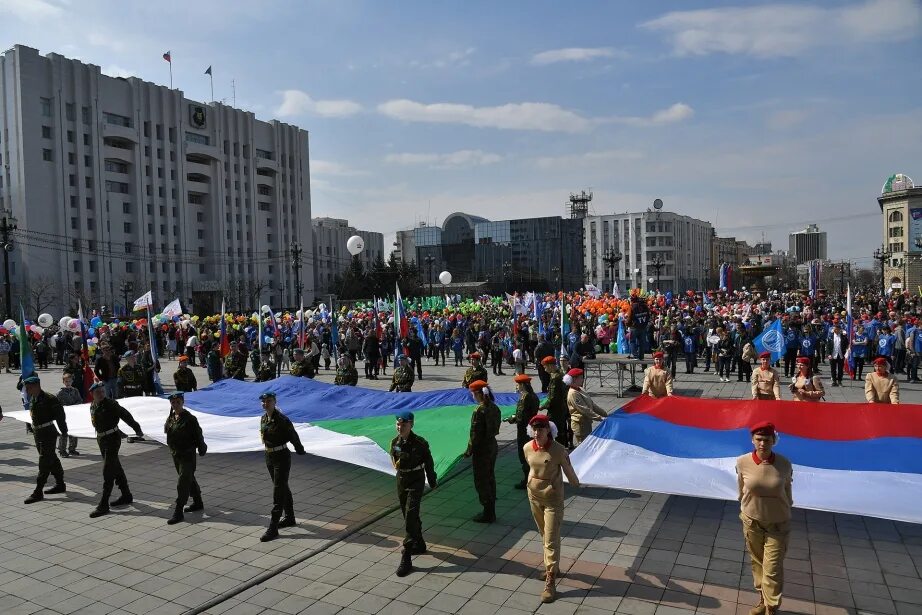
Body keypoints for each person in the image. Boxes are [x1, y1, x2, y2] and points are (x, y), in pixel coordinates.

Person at [736, 421, 793, 615]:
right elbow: (741, 488)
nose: (762, 443)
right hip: (752, 521)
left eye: (766, 439)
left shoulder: (784, 464)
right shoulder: (742, 462)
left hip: (778, 524)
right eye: (759, 439)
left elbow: (787, 490)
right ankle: (762, 599)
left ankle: (771, 608)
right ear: (753, 440)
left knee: (772, 568)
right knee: (758, 563)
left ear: (773, 440)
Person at [524, 414, 581, 604]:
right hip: (534, 497)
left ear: (549, 430)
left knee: (550, 539)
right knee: (545, 535)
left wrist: (577, 482)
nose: (537, 433)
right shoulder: (527, 448)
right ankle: (553, 567)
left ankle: (550, 581)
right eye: (534, 429)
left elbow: (569, 471)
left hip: (553, 501)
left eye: (540, 429)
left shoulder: (558, 450)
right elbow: (532, 469)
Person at [390, 411, 438, 577]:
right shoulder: (395, 442)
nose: (400, 427)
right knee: (407, 513)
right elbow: (394, 458)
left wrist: (432, 480)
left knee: (410, 514)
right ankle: (420, 543)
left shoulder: (420, 443)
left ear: (411, 425)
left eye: (403, 425)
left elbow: (429, 462)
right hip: (401, 480)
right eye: (398, 424)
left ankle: (407, 555)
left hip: (415, 480)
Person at [88, 381, 145, 518]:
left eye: (102, 391)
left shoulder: (111, 404)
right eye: (98, 393)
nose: (101, 394)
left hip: (112, 439)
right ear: (92, 395)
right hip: (102, 440)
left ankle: (103, 504)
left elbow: (125, 415)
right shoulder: (93, 405)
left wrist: (137, 429)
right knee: (115, 467)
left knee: (108, 471)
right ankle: (126, 495)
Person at [258, 390, 306, 542]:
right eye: (264, 402)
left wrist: (299, 449)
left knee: (278, 490)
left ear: (275, 402)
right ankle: (290, 517)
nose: (266, 404)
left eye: (269, 401)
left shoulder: (282, 420)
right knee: (282, 486)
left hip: (281, 457)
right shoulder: (263, 418)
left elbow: (293, 436)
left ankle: (273, 527)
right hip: (269, 456)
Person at [23, 375, 68, 504]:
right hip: (38, 433)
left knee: (44, 461)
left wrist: (64, 431)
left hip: (48, 433)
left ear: (37, 386)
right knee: (51, 458)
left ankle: (38, 491)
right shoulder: (33, 398)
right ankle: (60, 484)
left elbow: (60, 416)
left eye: (29, 388)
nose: (27, 390)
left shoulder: (49, 399)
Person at [164, 391, 207, 524]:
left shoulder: (190, 419)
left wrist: (201, 448)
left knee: (183, 482)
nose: (175, 404)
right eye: (173, 402)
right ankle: (198, 502)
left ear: (183, 402)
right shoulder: (171, 418)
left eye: (178, 402)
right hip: (176, 455)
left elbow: (198, 435)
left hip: (187, 455)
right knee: (189, 478)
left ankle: (178, 510)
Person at [464, 380, 501, 523]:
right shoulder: (494, 407)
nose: (472, 396)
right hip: (492, 446)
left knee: (481, 480)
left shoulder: (479, 410)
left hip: (482, 450)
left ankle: (488, 513)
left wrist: (469, 451)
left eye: (473, 393)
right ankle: (491, 509)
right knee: (490, 477)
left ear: (478, 393)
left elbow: (475, 434)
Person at [505, 373, 540, 489]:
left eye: (518, 385)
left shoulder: (524, 397)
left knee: (524, 454)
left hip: (523, 429)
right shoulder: (534, 395)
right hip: (532, 427)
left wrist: (510, 419)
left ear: (522, 385)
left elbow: (520, 416)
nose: (517, 387)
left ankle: (527, 480)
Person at [566, 368, 608, 446]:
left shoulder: (580, 389)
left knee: (588, 445)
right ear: (574, 379)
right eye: (581, 377)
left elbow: (592, 404)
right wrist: (599, 418)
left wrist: (604, 414)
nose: (583, 379)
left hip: (586, 423)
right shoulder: (573, 393)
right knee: (584, 446)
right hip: (580, 425)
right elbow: (584, 409)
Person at [540, 356, 570, 448]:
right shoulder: (560, 374)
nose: (545, 370)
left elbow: (553, 397)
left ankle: (558, 452)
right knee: (561, 430)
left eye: (545, 367)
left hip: (556, 410)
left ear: (550, 366)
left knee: (554, 431)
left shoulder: (555, 378)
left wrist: (543, 406)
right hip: (562, 407)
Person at [56, 373, 83, 457]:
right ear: (63, 382)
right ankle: (62, 450)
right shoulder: (60, 393)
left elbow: (80, 400)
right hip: (64, 416)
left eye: (69, 381)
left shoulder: (75, 391)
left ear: (72, 381)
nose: (68, 383)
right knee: (64, 433)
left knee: (74, 432)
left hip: (73, 415)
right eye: (66, 381)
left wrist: (75, 405)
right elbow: (56, 404)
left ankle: (72, 448)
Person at [825, 322, 848, 387]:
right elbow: (828, 346)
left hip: (840, 355)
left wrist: (847, 351)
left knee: (840, 369)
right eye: (834, 329)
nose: (836, 330)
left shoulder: (843, 337)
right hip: (833, 355)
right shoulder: (830, 337)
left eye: (837, 329)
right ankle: (834, 381)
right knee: (833, 369)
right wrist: (828, 354)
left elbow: (847, 344)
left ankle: (840, 381)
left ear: (840, 329)